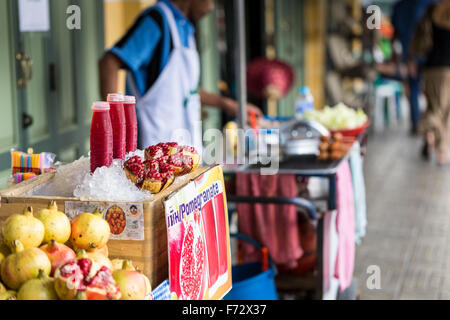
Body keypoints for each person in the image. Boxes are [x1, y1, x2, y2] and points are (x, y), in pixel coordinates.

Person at [99, 0, 261, 151]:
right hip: (152, 142)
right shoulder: (156, 20)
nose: (211, 7)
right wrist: (115, 128)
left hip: (183, 143)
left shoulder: (185, 28)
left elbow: (188, 90)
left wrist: (231, 105)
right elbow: (109, 63)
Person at [391, 0, 440, 135]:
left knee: (415, 89)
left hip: (413, 53)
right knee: (433, 94)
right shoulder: (428, 3)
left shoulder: (400, 6)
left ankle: (418, 125)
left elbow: (396, 35)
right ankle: (429, 129)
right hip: (429, 53)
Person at [411, 0, 450, 165]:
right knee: (445, 111)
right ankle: (441, 150)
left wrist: (413, 59)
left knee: (434, 107)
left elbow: (419, 40)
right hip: (446, 68)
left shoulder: (431, 10)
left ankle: (430, 136)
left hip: (432, 67)